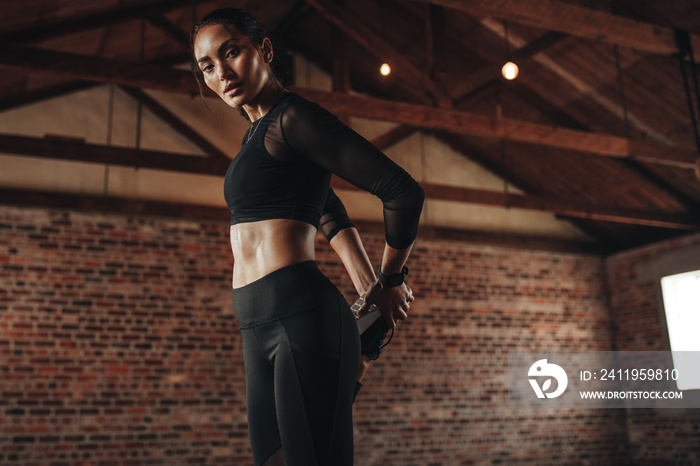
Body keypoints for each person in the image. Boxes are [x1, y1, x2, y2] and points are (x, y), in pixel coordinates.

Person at [191, 8, 424, 466]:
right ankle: (354, 360)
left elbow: (402, 193)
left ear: (265, 50)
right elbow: (327, 205)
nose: (222, 73)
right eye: (208, 66)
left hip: (297, 312)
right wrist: (365, 282)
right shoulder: (257, 133)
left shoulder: (293, 117)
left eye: (231, 51)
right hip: (255, 324)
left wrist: (390, 281)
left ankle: (352, 359)